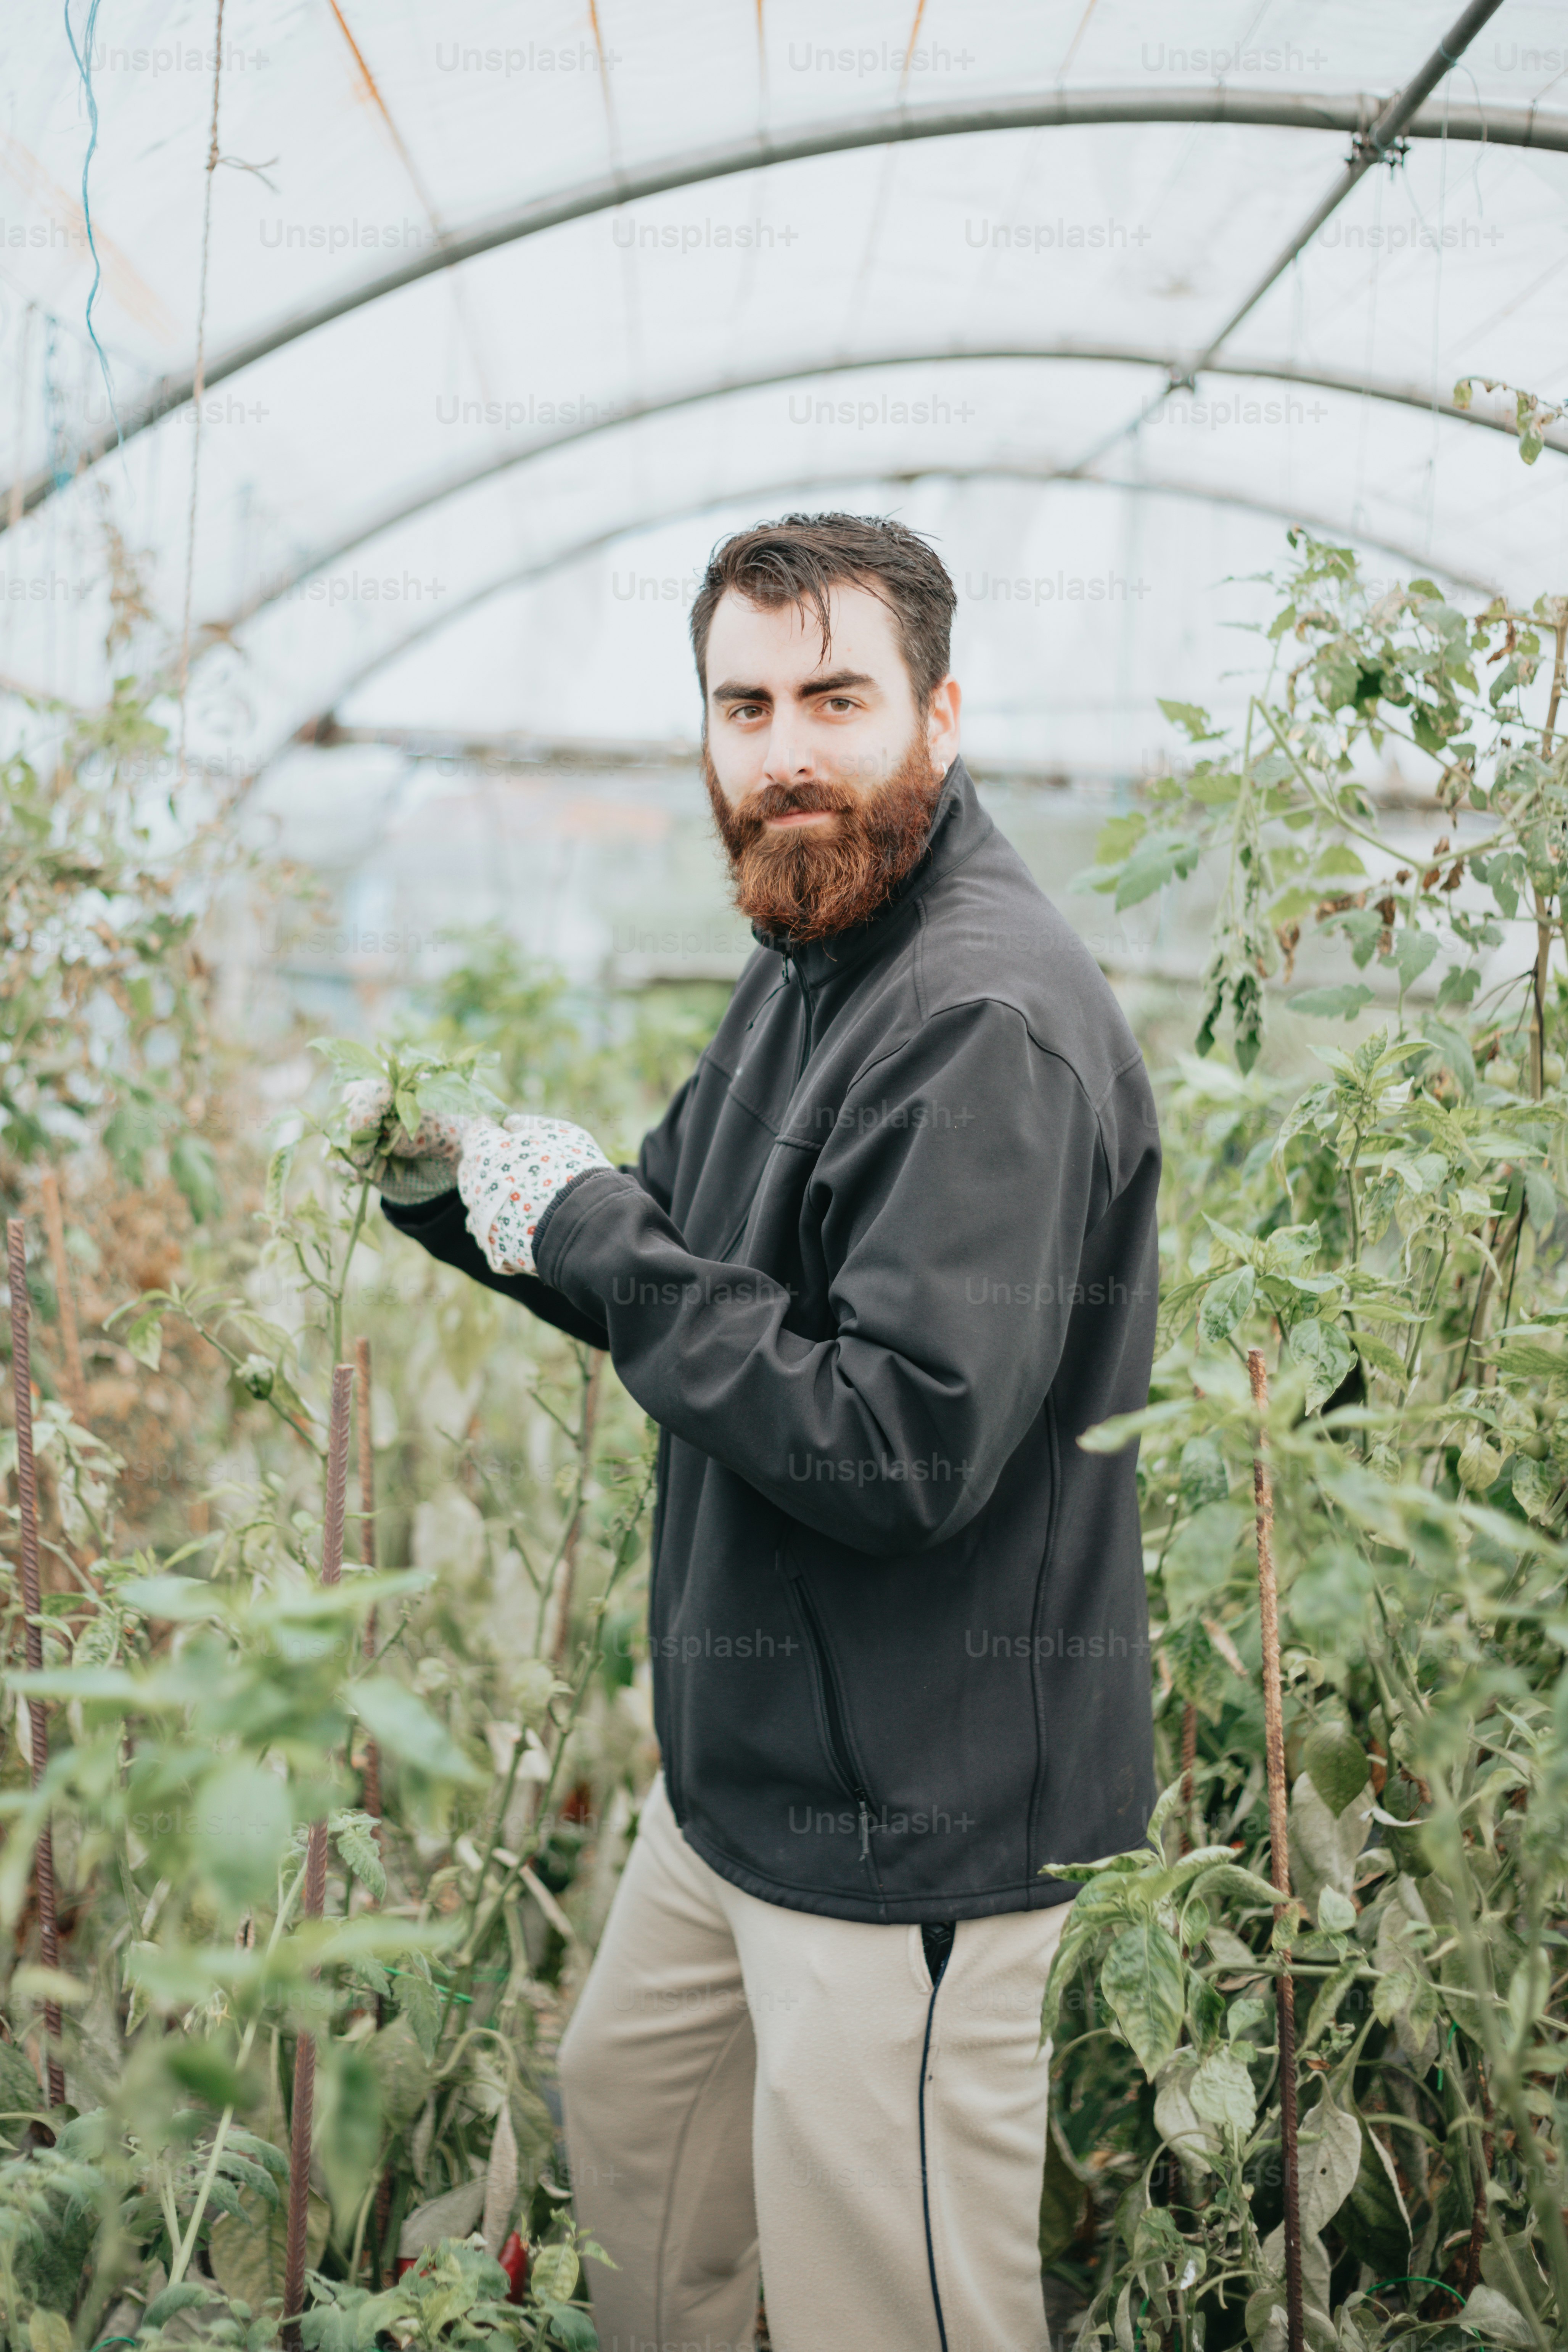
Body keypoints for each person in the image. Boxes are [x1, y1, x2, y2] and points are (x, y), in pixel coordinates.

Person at [355, 513, 1160, 2352]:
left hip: (914, 1825)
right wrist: (474, 1191)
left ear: (936, 717)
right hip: (746, 1788)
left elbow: (897, 1441)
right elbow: (678, 1256)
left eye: (833, 699)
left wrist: (598, 1237)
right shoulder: (817, 933)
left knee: (893, 2306)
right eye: (742, 705)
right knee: (638, 2135)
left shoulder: (978, 1022)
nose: (783, 750)